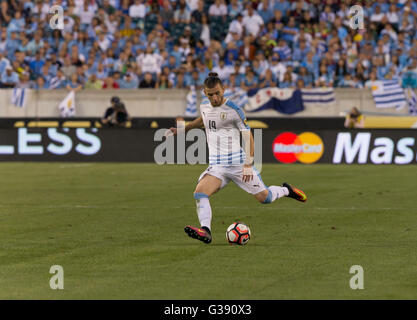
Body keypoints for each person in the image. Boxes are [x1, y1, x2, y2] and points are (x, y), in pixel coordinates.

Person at [167, 73, 307, 244]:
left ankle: (287, 190)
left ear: (223, 90)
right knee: (200, 192)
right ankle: (206, 231)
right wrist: (184, 129)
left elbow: (248, 136)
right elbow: (203, 120)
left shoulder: (234, 110)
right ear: (205, 92)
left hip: (239, 164)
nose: (215, 97)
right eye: (210, 94)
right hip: (218, 166)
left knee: (265, 198)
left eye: (217, 93)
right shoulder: (205, 106)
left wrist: (248, 165)